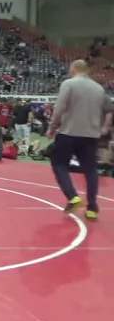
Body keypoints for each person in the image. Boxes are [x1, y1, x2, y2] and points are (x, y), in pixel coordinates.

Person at [47, 60, 113, 220]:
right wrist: (105, 126)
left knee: (59, 163)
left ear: (74, 69)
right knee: (90, 170)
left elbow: (60, 107)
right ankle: (92, 208)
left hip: (69, 132)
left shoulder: (69, 84)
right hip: (91, 135)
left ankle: (73, 196)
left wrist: (52, 127)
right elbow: (110, 109)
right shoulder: (99, 88)